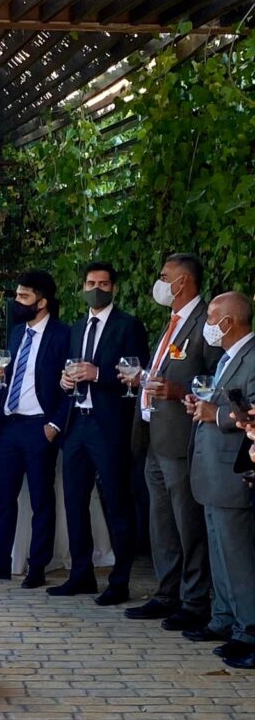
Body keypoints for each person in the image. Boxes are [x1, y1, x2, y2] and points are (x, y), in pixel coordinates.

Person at [124, 253, 221, 635]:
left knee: (187, 523)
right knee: (161, 522)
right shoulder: (172, 322)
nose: (159, 284)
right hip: (154, 437)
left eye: (164, 277)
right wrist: (143, 379)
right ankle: (167, 593)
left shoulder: (206, 323)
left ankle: (195, 600)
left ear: (183, 283)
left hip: (182, 439)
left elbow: (218, 380)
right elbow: (164, 372)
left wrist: (179, 390)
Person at [49, 261, 149, 605]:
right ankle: (81, 575)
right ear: (82, 288)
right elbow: (72, 368)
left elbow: (136, 373)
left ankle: (120, 582)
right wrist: (66, 380)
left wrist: (98, 372)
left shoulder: (128, 325)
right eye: (91, 283)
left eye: (104, 284)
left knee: (117, 502)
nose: (97, 288)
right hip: (77, 422)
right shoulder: (76, 327)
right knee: (75, 500)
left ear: (114, 288)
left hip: (110, 426)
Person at [0, 269, 70, 588]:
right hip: (11, 425)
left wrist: (54, 425)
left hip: (41, 427)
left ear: (42, 302)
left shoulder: (62, 335)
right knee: (2, 496)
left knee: (41, 500)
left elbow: (72, 386)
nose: (17, 302)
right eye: (17, 295)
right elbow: (13, 378)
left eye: (24, 297)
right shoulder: (16, 333)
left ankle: (37, 566)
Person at [186, 292, 255, 669]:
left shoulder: (253, 356)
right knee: (220, 551)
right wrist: (201, 408)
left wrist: (217, 415)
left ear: (229, 322)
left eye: (212, 317)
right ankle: (226, 619)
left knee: (238, 556)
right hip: (211, 469)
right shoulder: (226, 357)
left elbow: (251, 408)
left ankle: (249, 629)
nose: (208, 325)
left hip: (233, 469)